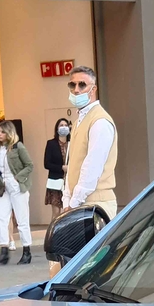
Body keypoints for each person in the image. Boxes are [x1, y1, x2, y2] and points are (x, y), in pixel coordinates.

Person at [61, 64, 118, 220]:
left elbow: (92, 168)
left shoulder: (100, 121)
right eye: (72, 84)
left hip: (96, 205)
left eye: (82, 84)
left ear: (93, 89)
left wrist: (72, 204)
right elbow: (72, 165)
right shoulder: (80, 120)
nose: (76, 89)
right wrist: (67, 199)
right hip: (80, 204)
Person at [0, 120, 34, 265]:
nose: (0, 134)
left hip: (17, 186)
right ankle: (4, 251)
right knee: (1, 218)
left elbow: (29, 165)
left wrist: (17, 178)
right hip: (4, 186)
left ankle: (27, 251)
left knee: (22, 221)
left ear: (9, 133)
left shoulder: (18, 147)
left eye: (3, 131)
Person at [43, 117, 71, 220]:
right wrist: (61, 168)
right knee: (56, 213)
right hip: (55, 181)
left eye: (66, 125)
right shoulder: (51, 144)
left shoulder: (72, 143)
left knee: (68, 210)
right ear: (57, 129)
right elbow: (47, 163)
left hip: (69, 181)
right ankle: (54, 234)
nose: (64, 127)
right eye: (61, 125)